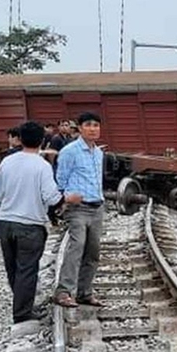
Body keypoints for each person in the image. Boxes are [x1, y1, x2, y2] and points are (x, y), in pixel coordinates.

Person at [0, 122, 67, 324]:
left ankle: (20, 303)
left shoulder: (6, 162)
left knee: (12, 268)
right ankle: (22, 313)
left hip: (6, 221)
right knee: (27, 269)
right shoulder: (41, 166)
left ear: (19, 139)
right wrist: (65, 200)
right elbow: (51, 197)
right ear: (42, 140)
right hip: (30, 223)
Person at [53, 112, 105, 308]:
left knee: (93, 251)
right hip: (77, 208)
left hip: (97, 207)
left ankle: (84, 292)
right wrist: (64, 201)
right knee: (77, 246)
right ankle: (64, 291)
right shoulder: (69, 151)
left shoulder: (99, 153)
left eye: (96, 125)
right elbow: (61, 180)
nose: (93, 129)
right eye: (88, 125)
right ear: (80, 128)